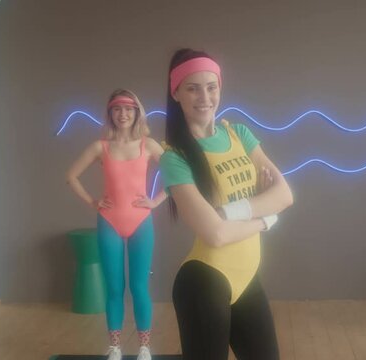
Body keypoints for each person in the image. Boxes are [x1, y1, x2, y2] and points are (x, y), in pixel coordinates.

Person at [159, 48, 293, 360]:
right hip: (203, 283)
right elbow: (215, 235)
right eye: (192, 88)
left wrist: (230, 212)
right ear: (176, 92)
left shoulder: (240, 134)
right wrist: (267, 218)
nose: (204, 96)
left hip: (248, 278)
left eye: (211, 86)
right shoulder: (175, 156)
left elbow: (285, 194)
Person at [66, 89, 167, 360]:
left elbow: (178, 173)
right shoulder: (101, 147)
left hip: (141, 222)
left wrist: (156, 201)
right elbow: (71, 176)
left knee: (139, 287)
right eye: (117, 109)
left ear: (136, 112)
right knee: (114, 288)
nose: (123, 114)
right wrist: (93, 202)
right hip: (109, 221)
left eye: (129, 109)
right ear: (110, 113)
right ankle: (115, 347)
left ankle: (144, 346)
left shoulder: (148, 145)